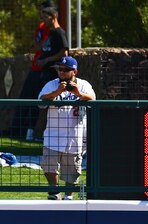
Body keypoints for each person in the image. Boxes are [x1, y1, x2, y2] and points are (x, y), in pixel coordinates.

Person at [38, 56, 95, 200]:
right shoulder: (51, 84)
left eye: (65, 69)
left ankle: (68, 196)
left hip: (75, 136)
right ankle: (54, 191)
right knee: (49, 166)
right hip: (53, 134)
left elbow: (93, 100)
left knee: (73, 170)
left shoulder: (83, 85)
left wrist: (78, 94)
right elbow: (40, 102)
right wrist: (56, 92)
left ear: (74, 71)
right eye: (59, 69)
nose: (61, 72)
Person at [10, 1, 65, 139]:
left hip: (49, 72)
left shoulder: (58, 33)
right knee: (33, 100)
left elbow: (64, 53)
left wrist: (46, 60)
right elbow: (38, 47)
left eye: (45, 16)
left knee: (41, 102)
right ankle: (25, 132)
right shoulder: (50, 32)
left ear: (52, 16)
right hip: (41, 70)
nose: (42, 19)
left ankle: (34, 132)